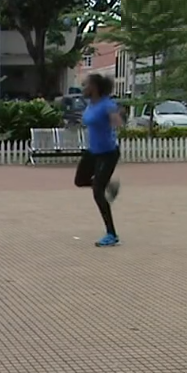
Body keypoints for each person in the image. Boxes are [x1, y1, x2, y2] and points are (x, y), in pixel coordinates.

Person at [75, 74, 122, 247]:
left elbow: (116, 121)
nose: (83, 88)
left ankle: (111, 234)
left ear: (94, 86)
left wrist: (116, 119)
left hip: (108, 153)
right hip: (92, 151)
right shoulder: (90, 105)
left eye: (85, 84)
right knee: (80, 181)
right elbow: (89, 121)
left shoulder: (107, 104)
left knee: (97, 192)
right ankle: (109, 185)